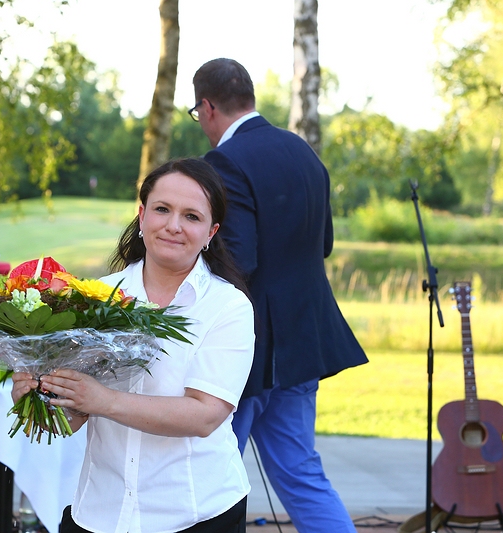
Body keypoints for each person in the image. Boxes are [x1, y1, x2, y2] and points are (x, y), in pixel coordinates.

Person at [11, 158, 256, 533]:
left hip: (195, 516)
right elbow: (70, 420)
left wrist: (103, 400)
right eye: (162, 209)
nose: (173, 225)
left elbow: (205, 415)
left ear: (211, 232)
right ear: (142, 216)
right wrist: (35, 401)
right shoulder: (95, 298)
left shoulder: (228, 306)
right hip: (99, 513)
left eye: (191, 216)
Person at [191, 58, 369, 533]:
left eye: (197, 114)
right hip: (303, 343)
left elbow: (238, 260)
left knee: (210, 473)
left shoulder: (223, 162)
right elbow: (324, 243)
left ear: (207, 107)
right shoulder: (302, 151)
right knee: (301, 473)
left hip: (248, 348)